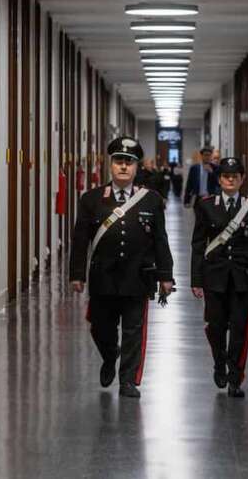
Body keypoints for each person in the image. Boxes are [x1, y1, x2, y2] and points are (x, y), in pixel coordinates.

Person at [70, 136, 174, 398]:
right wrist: (76, 274)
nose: (124, 167)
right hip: (103, 277)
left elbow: (160, 239)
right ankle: (109, 355)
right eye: (119, 161)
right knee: (99, 326)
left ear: (137, 167)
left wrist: (166, 275)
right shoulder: (92, 199)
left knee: (133, 330)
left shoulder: (151, 200)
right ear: (110, 165)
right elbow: (80, 240)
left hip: (137, 277)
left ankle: (128, 380)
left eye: (129, 162)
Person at [190, 157, 248, 398]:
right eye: (226, 176)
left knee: (240, 329)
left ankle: (235, 377)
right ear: (219, 180)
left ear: (242, 179)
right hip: (215, 277)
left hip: (243, 278)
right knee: (216, 327)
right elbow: (198, 245)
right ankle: (219, 362)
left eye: (235, 176)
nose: (230, 180)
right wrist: (196, 280)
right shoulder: (207, 205)